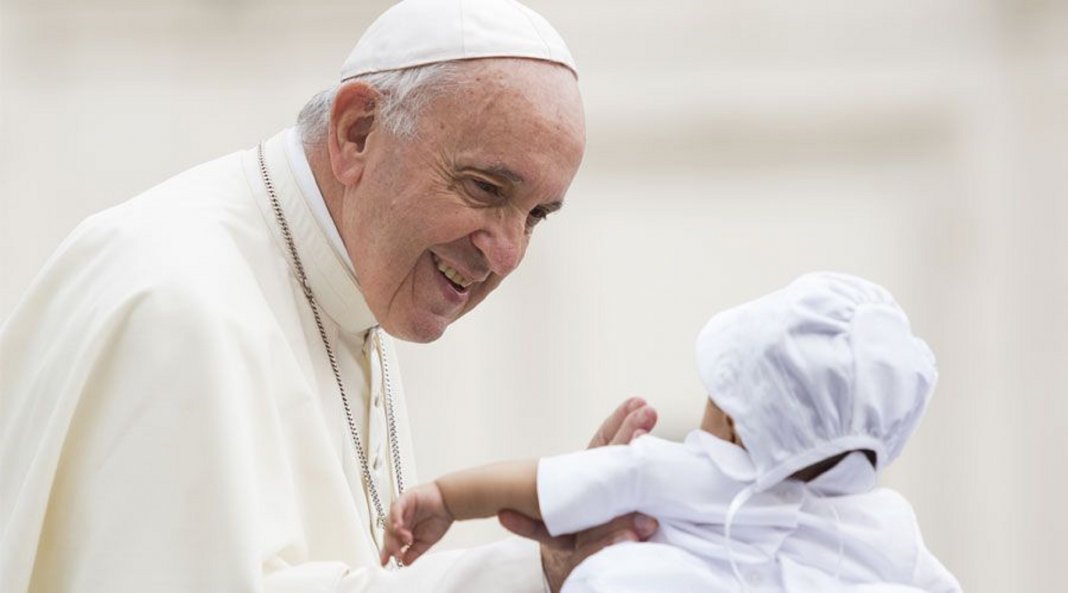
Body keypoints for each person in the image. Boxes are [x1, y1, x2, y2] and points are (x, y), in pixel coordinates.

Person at [0, 1, 658, 592]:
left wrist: (546, 566)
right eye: (485, 188)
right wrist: (525, 574)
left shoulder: (349, 287)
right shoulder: (177, 302)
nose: (508, 252)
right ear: (357, 133)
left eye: (536, 214)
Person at [381, 272, 962, 592]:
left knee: (618, 576)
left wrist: (449, 497)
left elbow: (541, 482)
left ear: (735, 417)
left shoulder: (687, 470)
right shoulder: (885, 523)